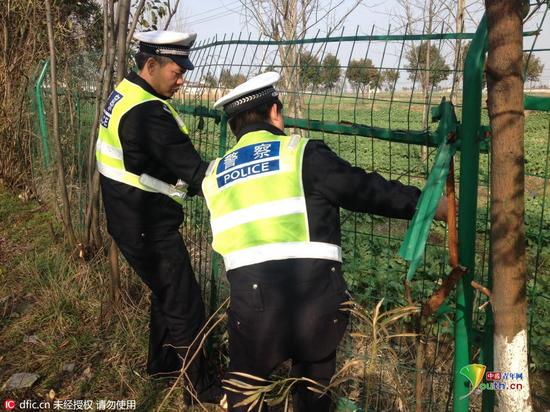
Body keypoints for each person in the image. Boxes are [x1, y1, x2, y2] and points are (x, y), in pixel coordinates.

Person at [201, 72, 447, 411]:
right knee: (312, 396)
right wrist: (429, 205)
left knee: (246, 394)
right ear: (275, 112)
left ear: (234, 126)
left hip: (250, 308)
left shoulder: (214, 173)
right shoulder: (300, 153)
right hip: (313, 302)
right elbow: (364, 190)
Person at [95, 30, 218, 401]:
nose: (182, 80)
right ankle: (202, 387)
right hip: (146, 223)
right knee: (184, 303)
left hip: (130, 215)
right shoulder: (147, 113)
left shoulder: (128, 92)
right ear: (151, 65)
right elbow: (195, 174)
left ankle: (163, 364)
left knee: (167, 293)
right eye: (177, 72)